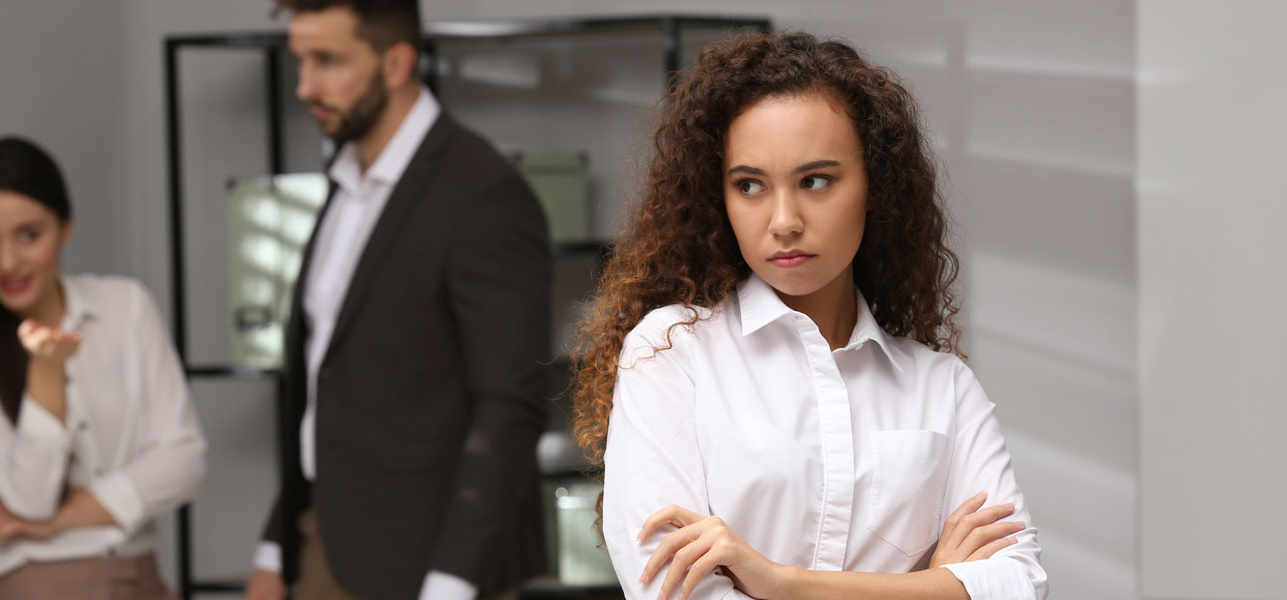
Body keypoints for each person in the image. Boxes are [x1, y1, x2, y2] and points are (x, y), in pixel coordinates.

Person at [569, 32, 1047, 599]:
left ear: (875, 186)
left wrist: (782, 583)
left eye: (815, 181)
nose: (784, 221)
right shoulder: (673, 353)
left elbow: (1018, 585)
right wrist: (927, 587)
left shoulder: (942, 389)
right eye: (749, 186)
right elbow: (668, 589)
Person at [245, 1, 553, 599]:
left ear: (395, 62)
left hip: (434, 566)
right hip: (321, 548)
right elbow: (326, 386)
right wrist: (275, 545)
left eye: (328, 61)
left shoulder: (484, 193)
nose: (305, 86)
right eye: (299, 62)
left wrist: (452, 583)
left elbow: (509, 406)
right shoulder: (345, 188)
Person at [0, 137, 205, 599]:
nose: (7, 261)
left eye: (29, 235)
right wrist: (46, 374)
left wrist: (63, 519)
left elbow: (185, 458)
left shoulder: (126, 307)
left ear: (65, 226)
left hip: (140, 579)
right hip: (30, 585)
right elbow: (28, 498)